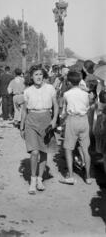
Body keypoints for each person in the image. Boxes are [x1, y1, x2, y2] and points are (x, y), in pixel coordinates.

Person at [20, 65, 58, 194]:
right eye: (36, 74)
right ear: (31, 77)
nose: (38, 77)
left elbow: (56, 106)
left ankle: (40, 179)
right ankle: (33, 180)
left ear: (44, 76)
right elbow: (24, 110)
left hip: (46, 120)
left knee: (43, 151)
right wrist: (22, 126)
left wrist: (53, 120)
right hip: (31, 120)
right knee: (34, 152)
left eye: (40, 74)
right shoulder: (28, 91)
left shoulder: (50, 88)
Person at [59, 70, 93, 185]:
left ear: (68, 82)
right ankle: (88, 177)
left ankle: (71, 176)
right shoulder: (85, 94)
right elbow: (87, 107)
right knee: (85, 150)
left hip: (72, 120)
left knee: (68, 149)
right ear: (79, 81)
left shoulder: (67, 94)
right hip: (84, 120)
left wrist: (61, 120)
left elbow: (64, 112)